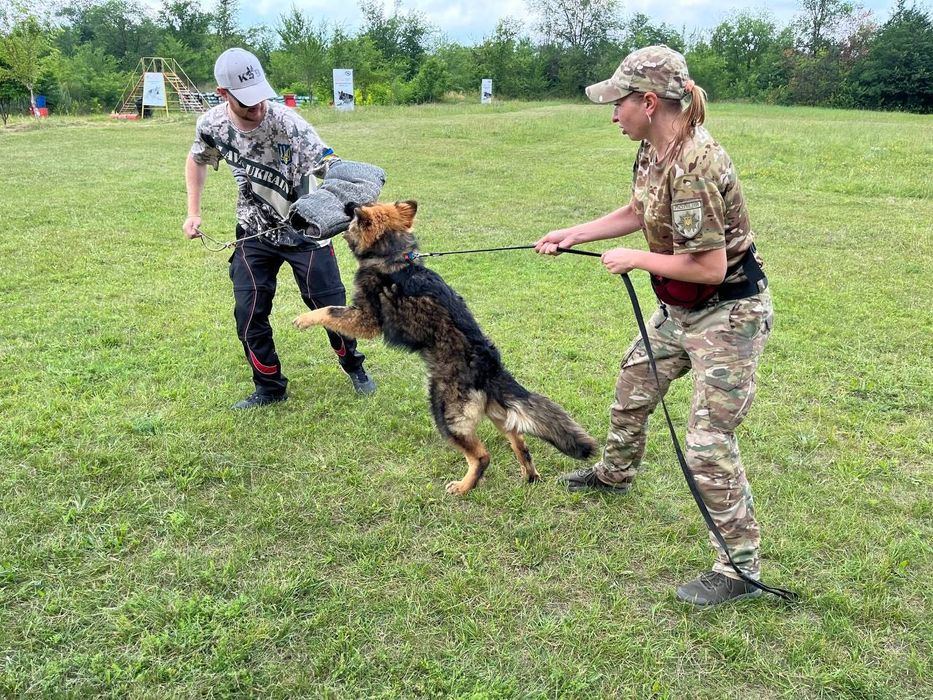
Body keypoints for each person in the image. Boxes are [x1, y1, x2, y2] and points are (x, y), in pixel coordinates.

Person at [535, 46, 773, 607]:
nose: (612, 115)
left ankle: (740, 570)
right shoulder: (652, 149)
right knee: (633, 385)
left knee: (707, 442)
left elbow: (709, 266)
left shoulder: (697, 164)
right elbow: (636, 210)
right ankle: (615, 474)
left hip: (727, 315)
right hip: (679, 309)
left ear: (648, 102)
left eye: (617, 103)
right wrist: (574, 233)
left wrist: (636, 259)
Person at [183, 48, 377, 409]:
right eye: (247, 102)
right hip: (253, 232)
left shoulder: (289, 124)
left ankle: (354, 365)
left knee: (329, 307)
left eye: (261, 97)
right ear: (223, 94)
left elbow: (329, 163)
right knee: (248, 314)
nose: (258, 107)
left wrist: (354, 192)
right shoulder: (212, 125)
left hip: (307, 232)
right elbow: (197, 160)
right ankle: (269, 388)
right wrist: (193, 212)